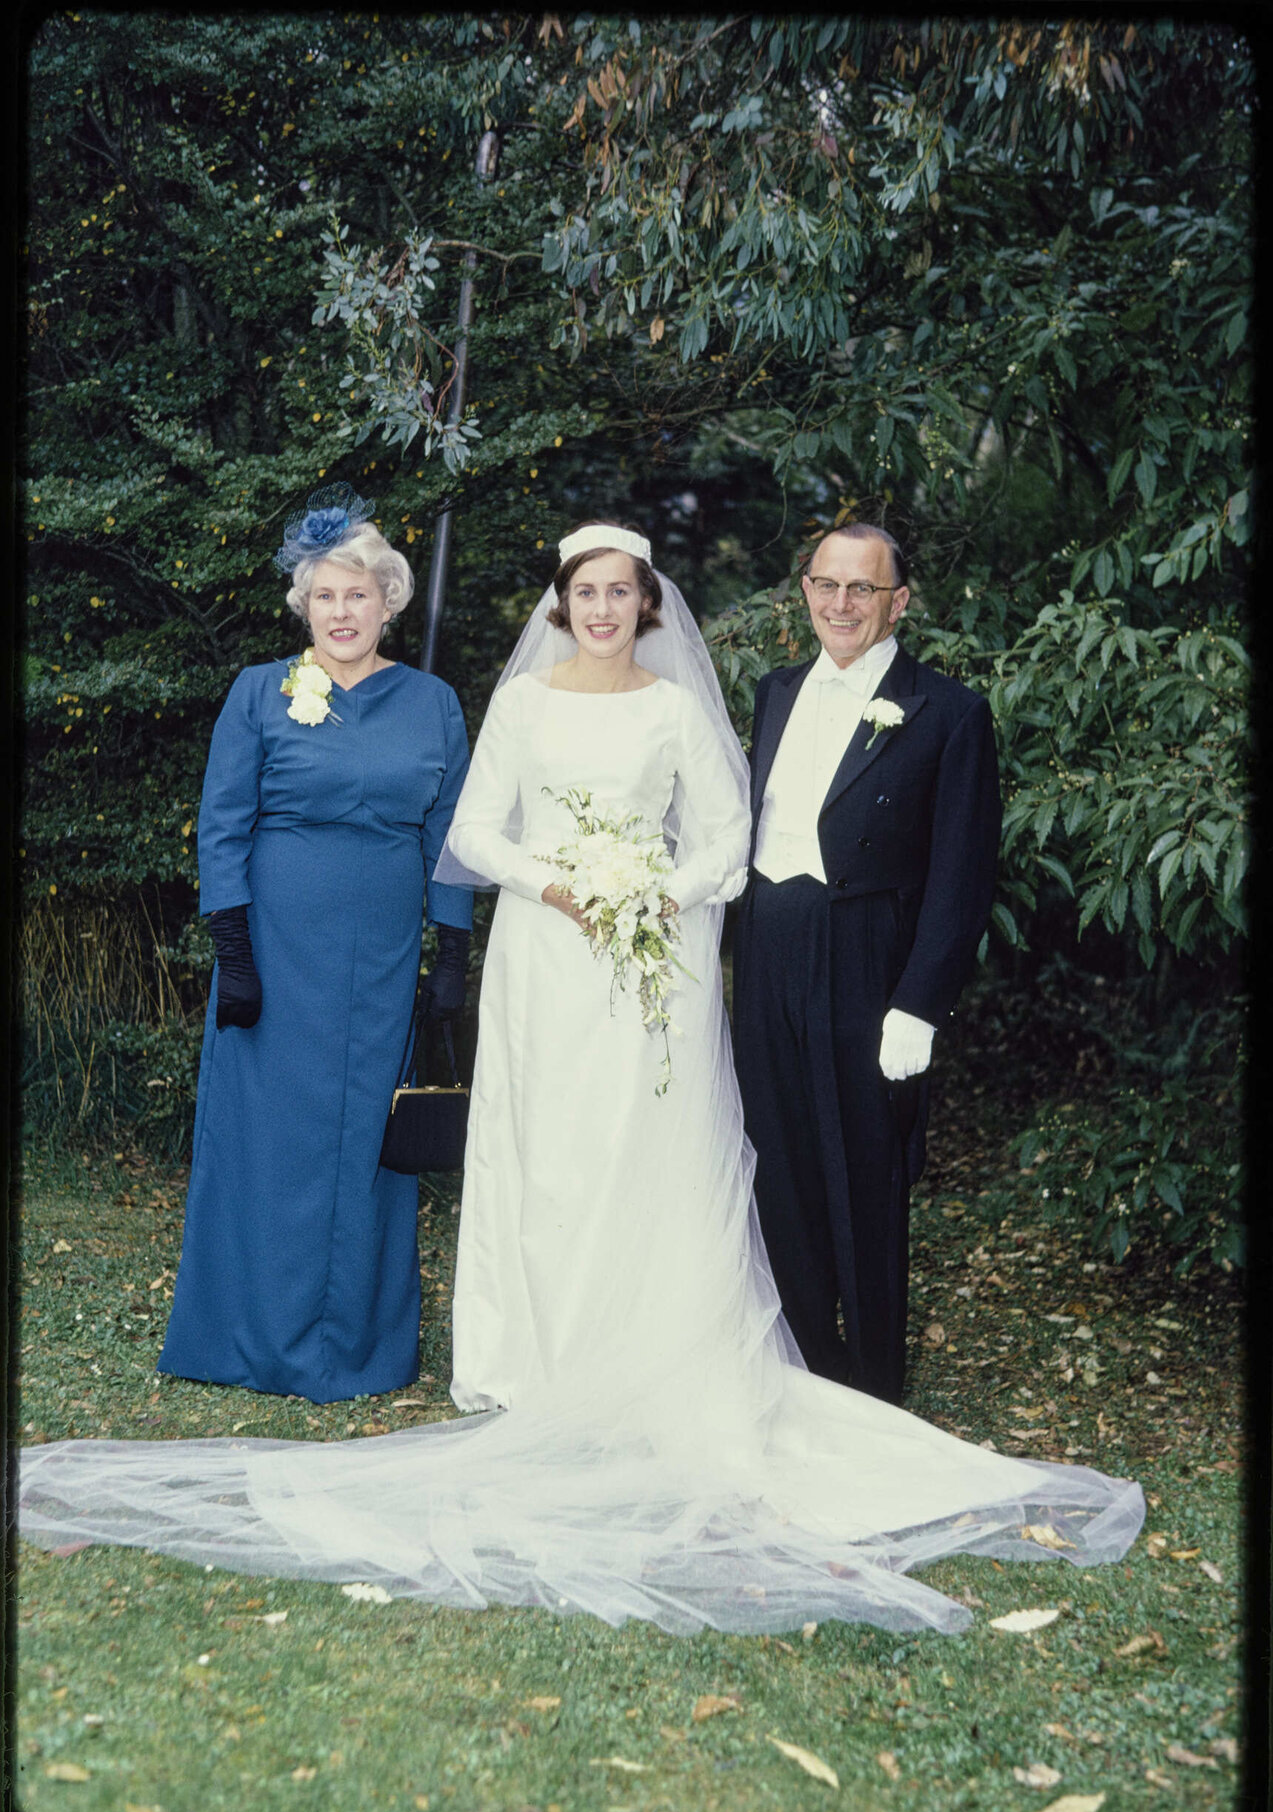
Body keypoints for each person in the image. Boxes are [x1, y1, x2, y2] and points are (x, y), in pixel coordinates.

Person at [19, 522, 1142, 1637]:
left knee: (637, 1148)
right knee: (544, 1150)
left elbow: (727, 838)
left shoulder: (681, 709)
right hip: (545, 966)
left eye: (621, 592)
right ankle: (533, 1356)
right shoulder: (516, 703)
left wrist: (657, 892)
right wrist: (558, 886)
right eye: (584, 592)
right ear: (560, 603)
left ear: (648, 603)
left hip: (652, 973)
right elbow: (471, 831)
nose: (603, 608)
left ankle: (661, 1343)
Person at [155, 483, 473, 1403]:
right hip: (275, 959)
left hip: (379, 960)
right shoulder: (260, 693)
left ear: (388, 602)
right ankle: (244, 1337)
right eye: (325, 596)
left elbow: (448, 835)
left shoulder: (433, 703)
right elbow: (221, 826)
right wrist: (235, 954)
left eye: (359, 594)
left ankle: (359, 1346)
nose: (342, 611)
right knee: (268, 1146)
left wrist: (449, 956)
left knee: (366, 1146)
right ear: (305, 605)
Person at [733, 521, 1001, 1406]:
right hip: (766, 952)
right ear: (803, 590)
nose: (840, 604)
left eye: (862, 589)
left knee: (866, 1178)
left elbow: (961, 875)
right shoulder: (773, 692)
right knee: (778, 1167)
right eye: (825, 584)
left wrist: (918, 1004)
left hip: (865, 967)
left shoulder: (948, 712)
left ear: (898, 603)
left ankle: (877, 1396)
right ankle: (815, 1377)